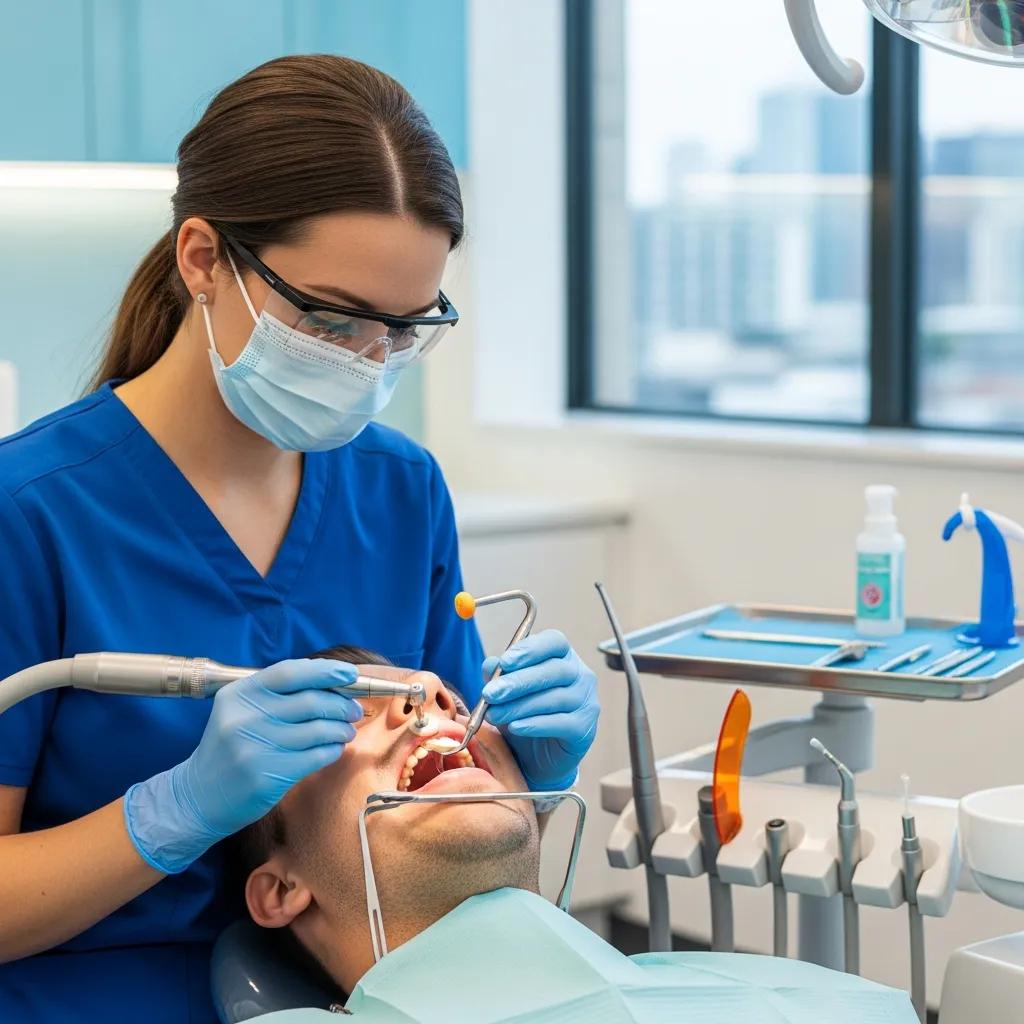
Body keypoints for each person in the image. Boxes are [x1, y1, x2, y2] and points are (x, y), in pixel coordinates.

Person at [0, 55, 599, 1024]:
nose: (367, 362)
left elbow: (446, 821)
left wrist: (532, 772)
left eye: (404, 329)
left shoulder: (399, 491)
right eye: (330, 319)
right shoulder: (28, 512)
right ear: (203, 258)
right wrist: (173, 812)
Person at [233, 648, 919, 1023]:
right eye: (350, 715)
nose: (431, 698)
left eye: (454, 702)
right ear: (281, 888)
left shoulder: (836, 1006)